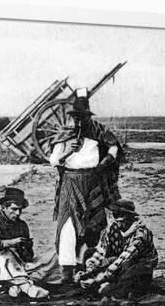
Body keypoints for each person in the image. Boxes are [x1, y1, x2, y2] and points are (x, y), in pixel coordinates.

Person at [49, 89, 123, 283]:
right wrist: (66, 153)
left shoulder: (98, 131)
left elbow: (114, 146)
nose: (80, 121)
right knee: (67, 226)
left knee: (93, 225)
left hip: (92, 181)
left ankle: (86, 265)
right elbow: (53, 160)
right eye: (77, 117)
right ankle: (67, 271)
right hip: (70, 183)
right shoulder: (65, 135)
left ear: (88, 116)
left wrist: (106, 161)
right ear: (73, 117)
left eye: (84, 117)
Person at [0, 188, 59, 299]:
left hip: (19, 265)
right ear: (4, 208)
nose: (17, 213)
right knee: (2, 252)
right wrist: (9, 243)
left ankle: (15, 284)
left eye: (20, 210)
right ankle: (25, 286)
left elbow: (28, 257)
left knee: (54, 256)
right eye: (14, 209)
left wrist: (26, 248)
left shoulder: (22, 225)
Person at [74, 199, 158, 298]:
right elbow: (101, 252)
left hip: (139, 268)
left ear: (129, 217)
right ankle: (101, 282)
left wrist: (98, 279)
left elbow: (124, 259)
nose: (116, 220)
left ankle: (114, 286)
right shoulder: (112, 229)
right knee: (90, 253)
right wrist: (88, 272)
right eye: (115, 215)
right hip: (118, 265)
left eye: (120, 216)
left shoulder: (141, 234)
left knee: (107, 290)